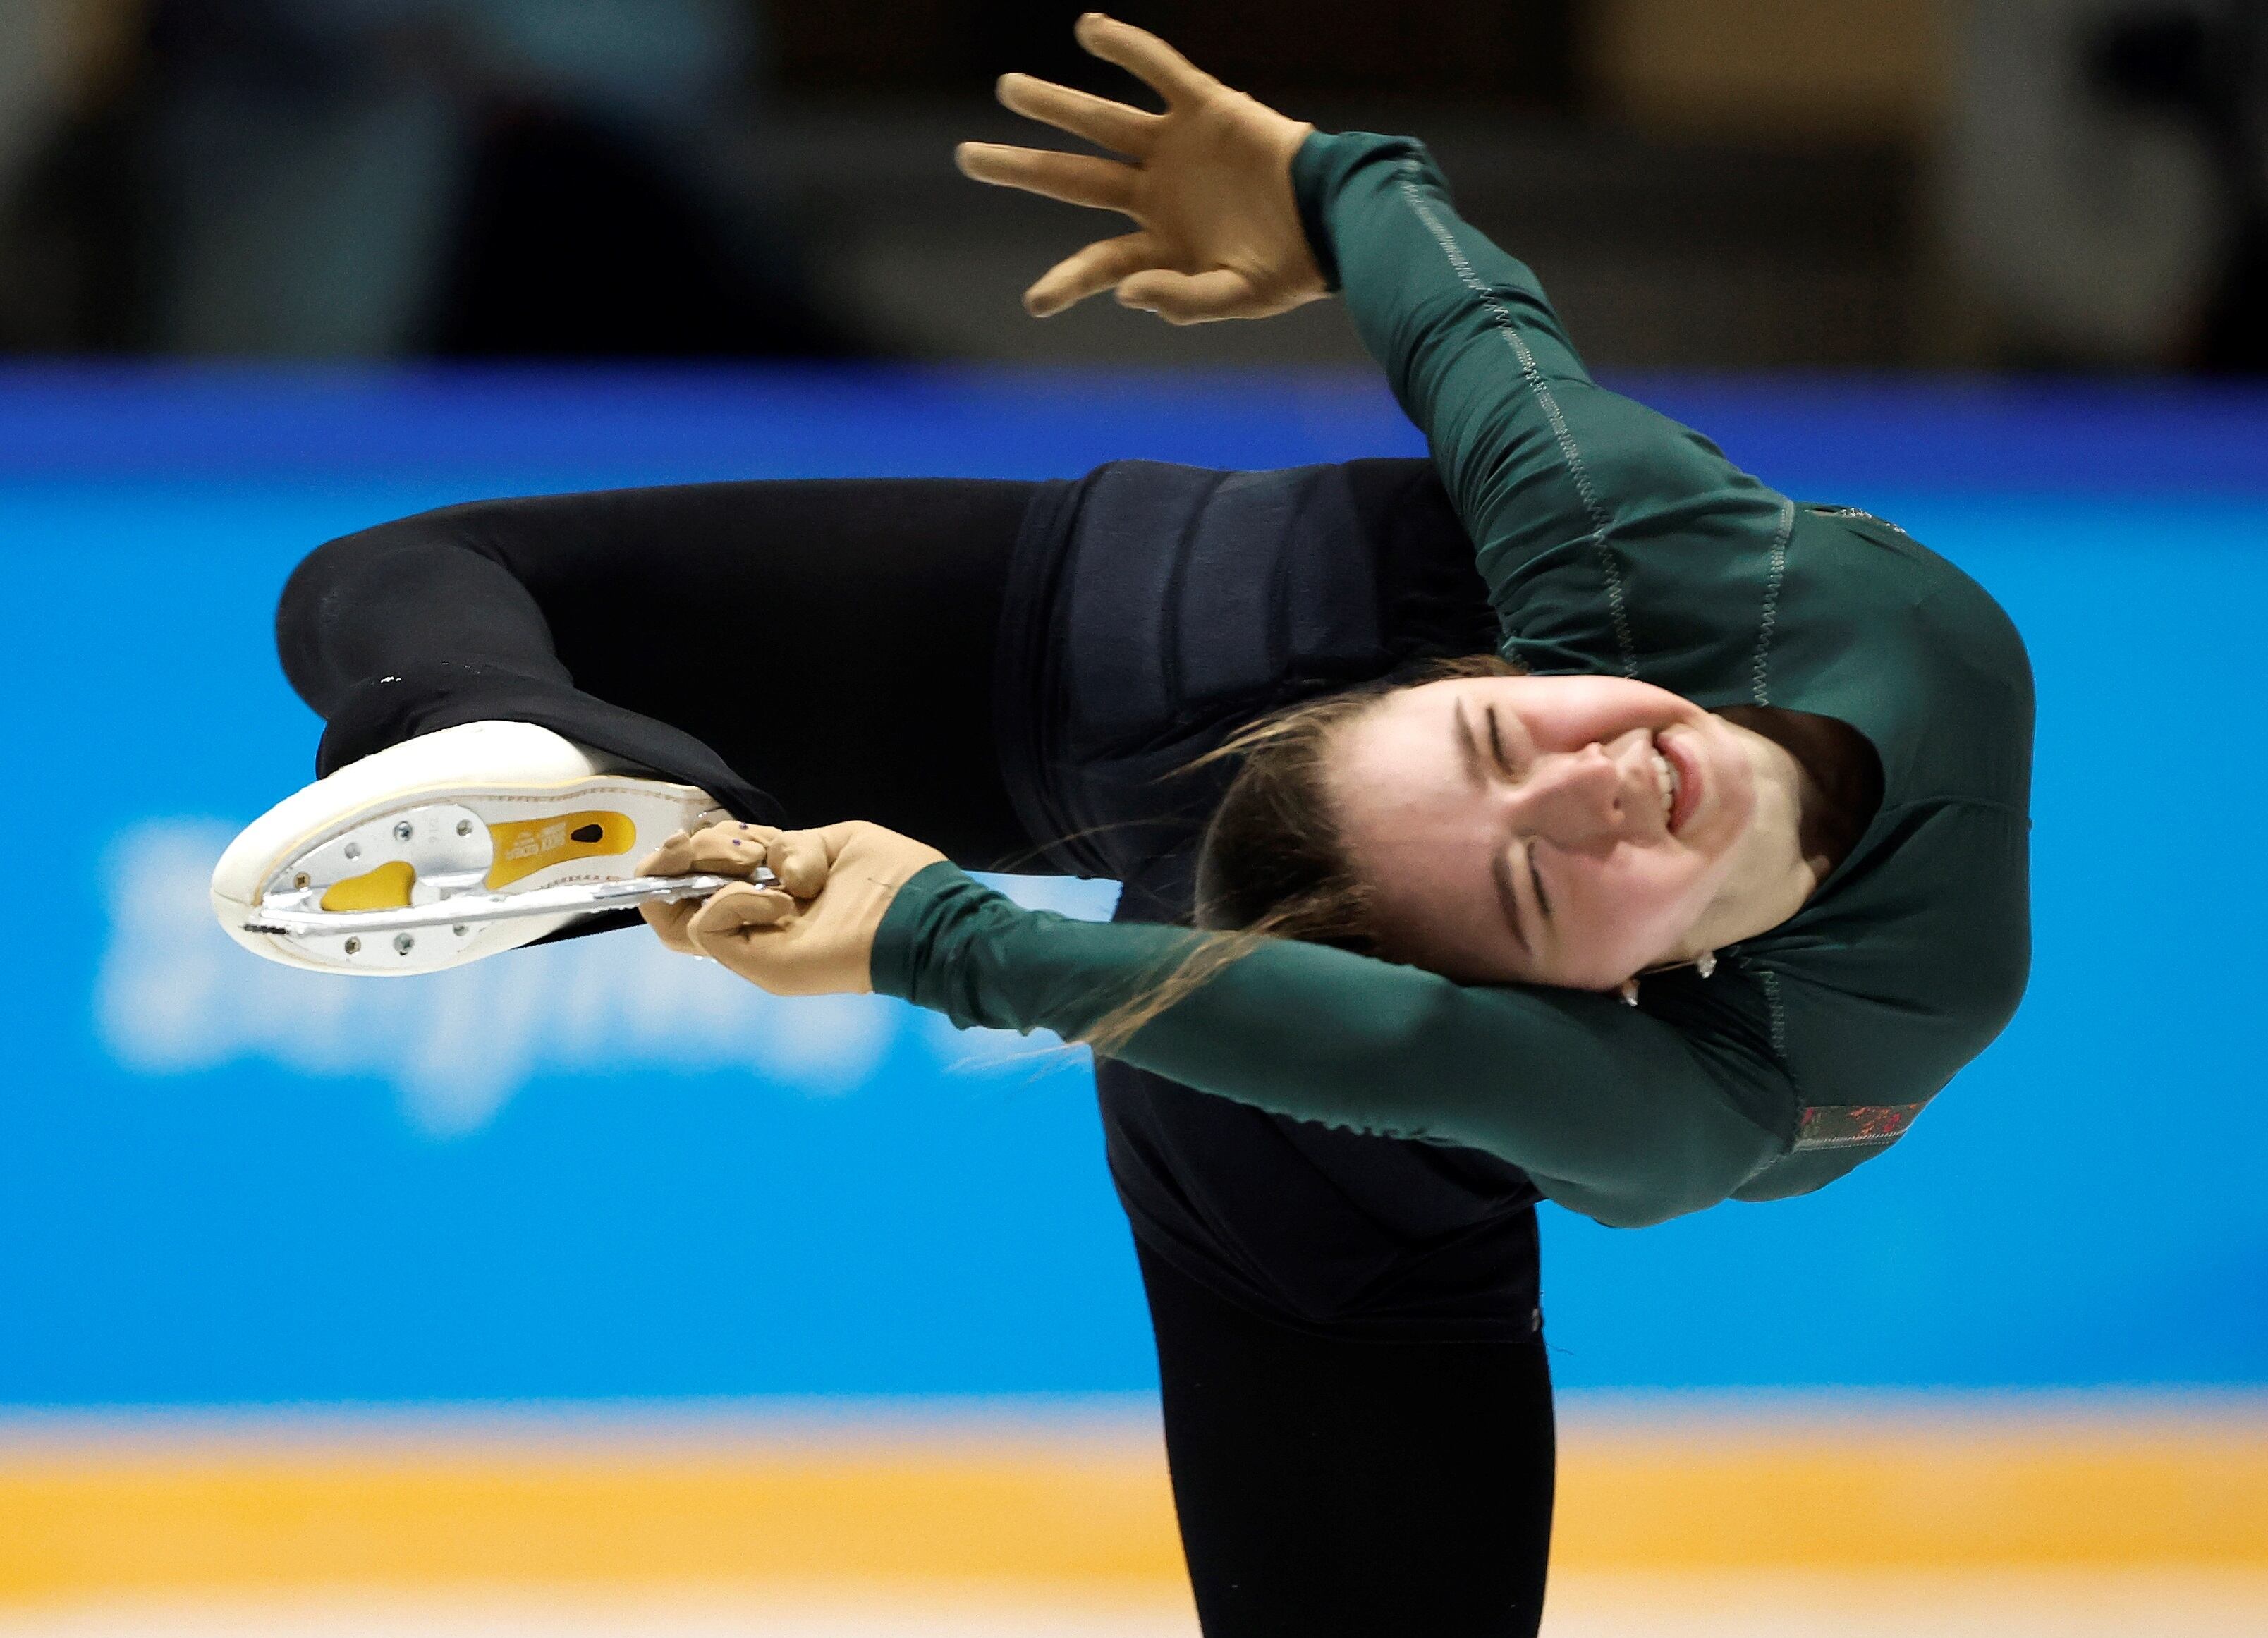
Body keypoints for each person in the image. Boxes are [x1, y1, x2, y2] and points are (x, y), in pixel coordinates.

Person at [214, 17, 2032, 1634]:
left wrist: (948, 938)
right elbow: (1483, 333)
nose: (1594, 781)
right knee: (396, 585)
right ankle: (550, 754)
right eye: (1504, 748)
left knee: (1273, 1098)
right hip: (1284, 631)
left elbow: (1398, 1032)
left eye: (1541, 876)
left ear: (1580, 995)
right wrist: (1323, 174)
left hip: (1268, 976)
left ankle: (616, 766)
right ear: (1472, 681)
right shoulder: (1628, 578)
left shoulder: (1714, 1075)